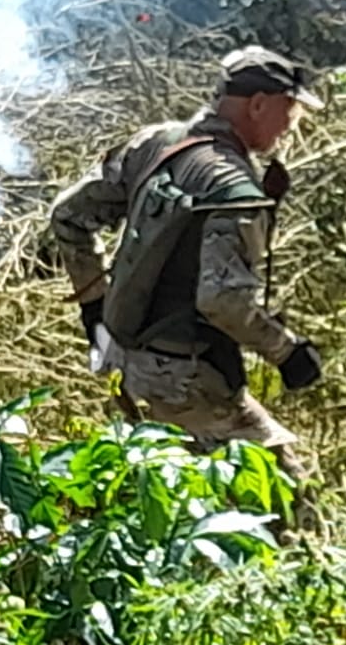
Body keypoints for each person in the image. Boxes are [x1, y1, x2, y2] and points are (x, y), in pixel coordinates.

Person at [47, 45, 325, 484]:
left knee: (172, 492)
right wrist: (287, 352)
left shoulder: (155, 143)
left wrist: (95, 312)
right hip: (184, 381)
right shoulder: (230, 185)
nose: (292, 125)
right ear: (258, 104)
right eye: (290, 109)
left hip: (126, 361)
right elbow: (221, 301)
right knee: (286, 499)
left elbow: (68, 215)